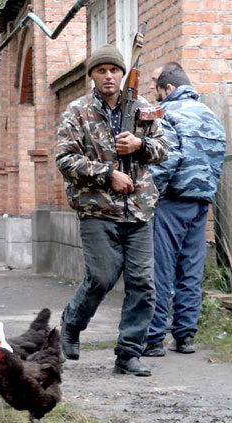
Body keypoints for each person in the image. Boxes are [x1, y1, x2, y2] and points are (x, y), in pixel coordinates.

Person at [55, 44, 168, 377]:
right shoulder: (77, 111)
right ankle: (72, 322)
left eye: (114, 70)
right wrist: (108, 174)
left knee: (143, 284)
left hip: (140, 210)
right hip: (97, 210)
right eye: (101, 70)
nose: (108, 76)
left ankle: (129, 353)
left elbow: (164, 149)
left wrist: (140, 145)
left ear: (122, 74)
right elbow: (64, 160)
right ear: (91, 75)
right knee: (102, 277)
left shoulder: (143, 107)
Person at [143, 63, 226, 357]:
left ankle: (153, 339)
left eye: (158, 89)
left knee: (161, 271)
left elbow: (167, 160)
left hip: (172, 201)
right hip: (202, 203)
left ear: (169, 89)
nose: (156, 95)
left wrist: (149, 194)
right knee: (190, 271)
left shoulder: (170, 114)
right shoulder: (211, 116)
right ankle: (185, 336)